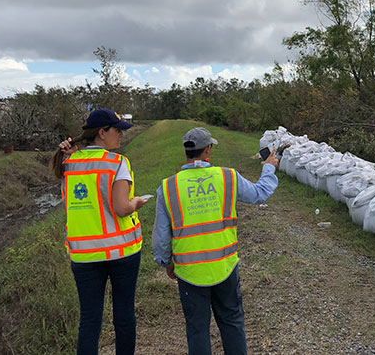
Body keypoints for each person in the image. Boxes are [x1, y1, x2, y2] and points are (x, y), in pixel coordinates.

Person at [152, 127, 279, 355]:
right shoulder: (228, 177)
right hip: (225, 265)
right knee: (231, 321)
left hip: (189, 271)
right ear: (208, 150)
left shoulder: (168, 187)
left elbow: (162, 235)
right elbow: (260, 193)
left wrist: (165, 262)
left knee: (197, 328)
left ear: (186, 151)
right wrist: (268, 167)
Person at [50, 108, 148, 355]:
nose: (121, 136)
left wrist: (73, 153)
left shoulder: (69, 163)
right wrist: (137, 202)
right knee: (123, 316)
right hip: (122, 251)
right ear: (102, 133)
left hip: (83, 255)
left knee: (90, 321)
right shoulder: (118, 163)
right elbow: (122, 208)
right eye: (117, 130)